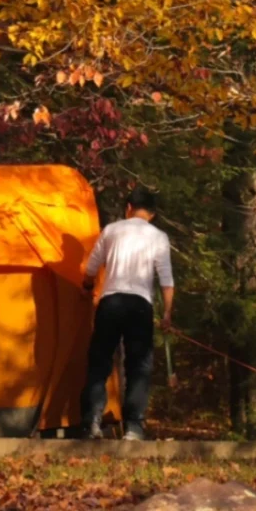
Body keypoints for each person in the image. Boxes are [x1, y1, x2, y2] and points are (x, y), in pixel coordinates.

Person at [80, 184, 174, 441]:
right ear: (152, 214)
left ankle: (91, 422)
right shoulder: (158, 237)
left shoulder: (111, 230)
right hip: (140, 305)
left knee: (100, 362)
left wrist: (87, 286)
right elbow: (166, 279)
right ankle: (134, 427)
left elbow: (91, 267)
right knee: (138, 366)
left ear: (128, 208)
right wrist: (167, 313)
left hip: (111, 302)